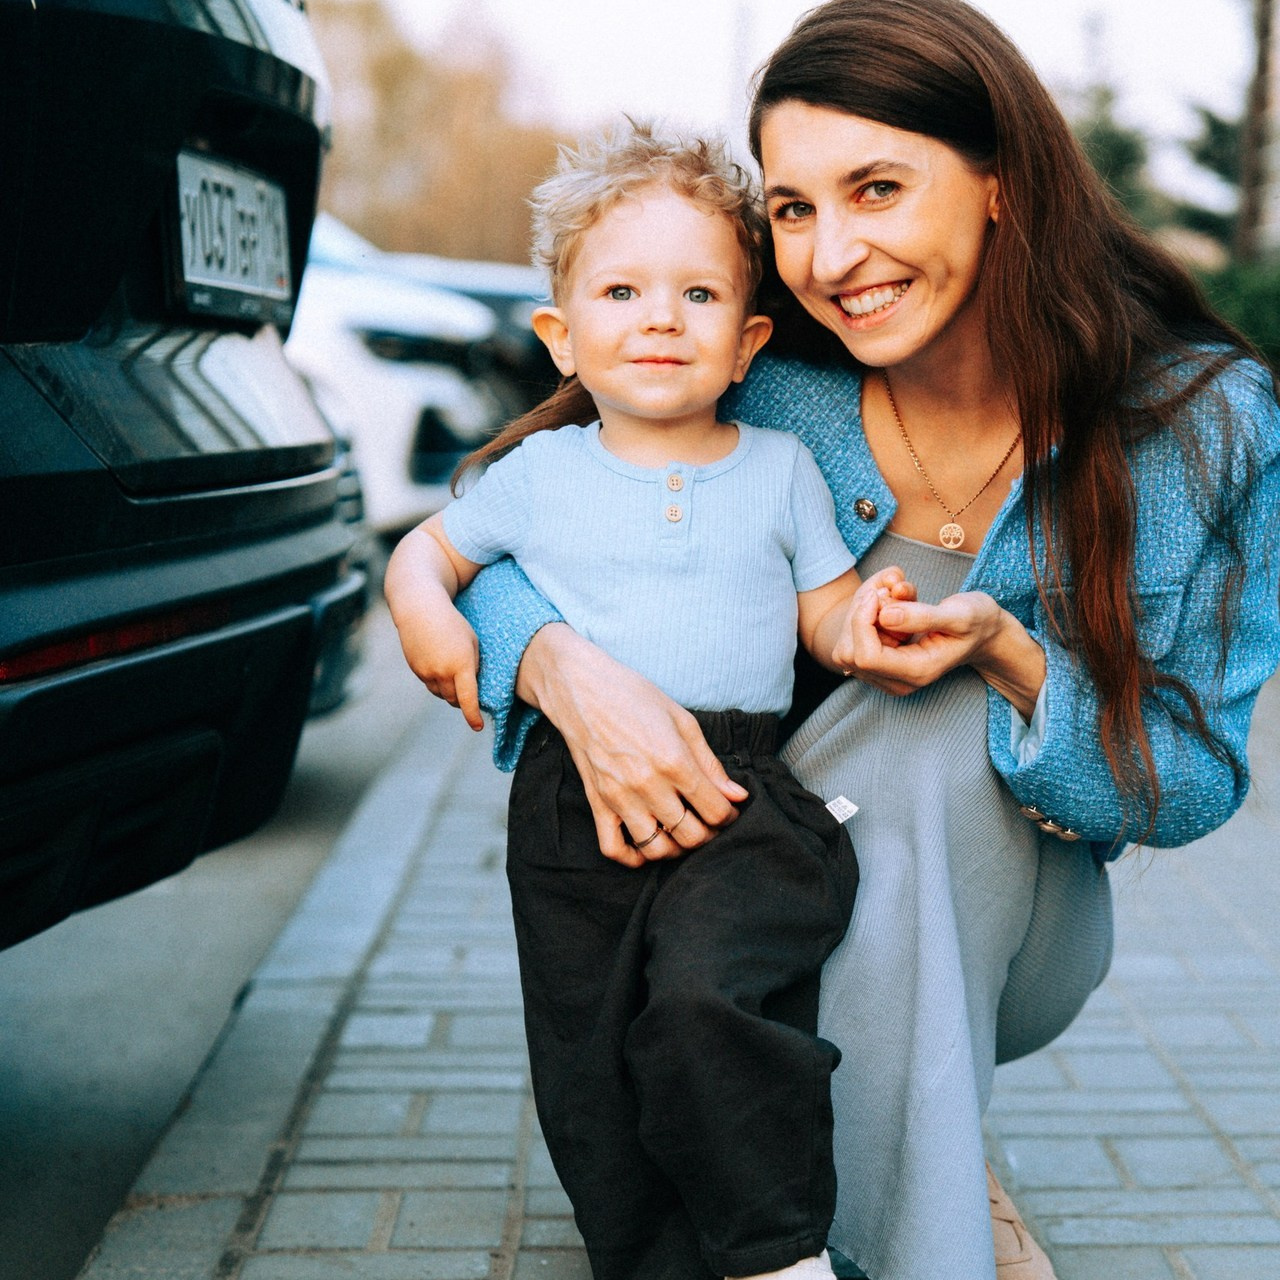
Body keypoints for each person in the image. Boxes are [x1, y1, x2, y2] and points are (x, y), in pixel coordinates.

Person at [438, 3, 1280, 1278]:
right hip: (710, 907)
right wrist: (566, 669)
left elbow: (1190, 777)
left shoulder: (1198, 425)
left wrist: (1008, 657)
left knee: (926, 713)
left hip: (1004, 928)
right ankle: (906, 1180)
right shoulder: (760, 380)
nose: (831, 255)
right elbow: (500, 523)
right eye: (791, 208)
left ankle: (880, 1193)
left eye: (876, 188)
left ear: (999, 182)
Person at [386, 121, 916, 1280]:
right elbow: (427, 551)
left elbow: (822, 613)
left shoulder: (778, 467)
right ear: (561, 336)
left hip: (741, 795)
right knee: (589, 1061)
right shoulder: (536, 475)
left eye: (698, 293)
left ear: (747, 340)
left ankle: (777, 1251)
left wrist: (865, 623)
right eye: (621, 291)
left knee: (706, 1005)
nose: (660, 318)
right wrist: (423, 607)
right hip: (568, 806)